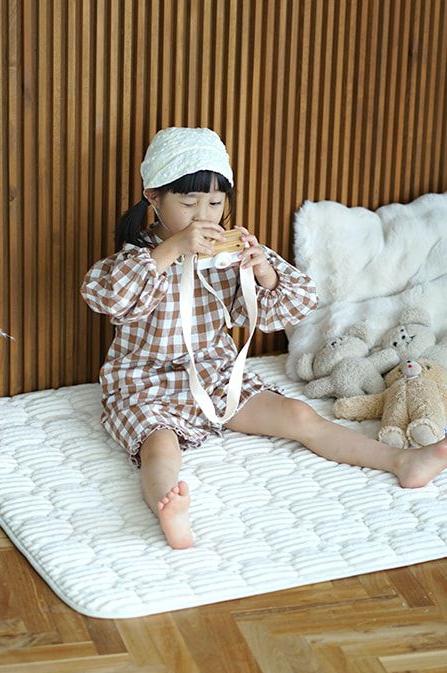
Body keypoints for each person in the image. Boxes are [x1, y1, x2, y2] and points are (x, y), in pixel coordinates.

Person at [80, 126, 447, 550]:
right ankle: (169, 509)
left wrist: (264, 272)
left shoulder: (231, 253)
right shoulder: (137, 259)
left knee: (299, 416)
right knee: (159, 448)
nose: (204, 216)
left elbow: (298, 303)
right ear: (154, 198)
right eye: (189, 203)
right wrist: (174, 248)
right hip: (145, 384)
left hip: (216, 376)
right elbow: (108, 297)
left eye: (215, 203)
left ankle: (402, 460)